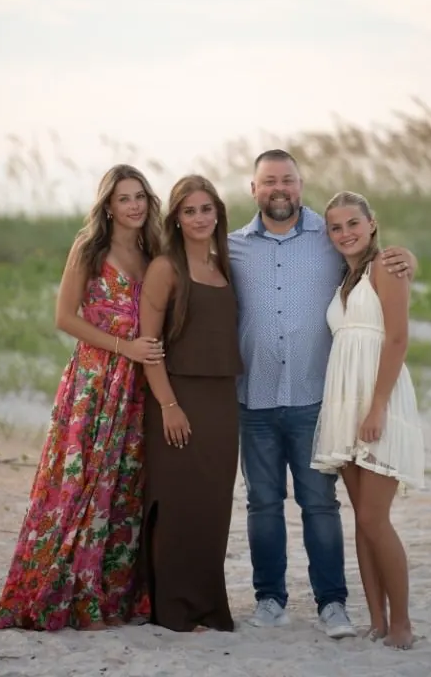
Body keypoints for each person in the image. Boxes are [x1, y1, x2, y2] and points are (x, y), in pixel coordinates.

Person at [228, 149, 416, 638]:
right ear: (254, 189)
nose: (279, 189)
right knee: (263, 505)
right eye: (268, 181)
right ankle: (270, 599)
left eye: (287, 180)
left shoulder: (327, 236)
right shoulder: (231, 248)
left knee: (321, 506)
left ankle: (333, 603)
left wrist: (407, 257)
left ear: (300, 183)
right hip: (256, 399)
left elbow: (377, 264)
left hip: (317, 400)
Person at [0, 164, 164, 631]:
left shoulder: (154, 251)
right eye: (125, 198)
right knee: (83, 486)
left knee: (124, 489)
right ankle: (77, 598)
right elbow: (65, 317)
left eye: (140, 195)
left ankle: (112, 597)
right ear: (108, 205)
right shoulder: (90, 249)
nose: (135, 205)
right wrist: (124, 346)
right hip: (96, 382)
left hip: (137, 387)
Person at [310, 190, 424, 650]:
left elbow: (396, 340)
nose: (345, 234)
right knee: (362, 519)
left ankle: (402, 625)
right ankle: (376, 620)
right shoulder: (346, 277)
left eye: (353, 224)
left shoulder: (386, 267)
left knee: (377, 518)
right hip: (345, 403)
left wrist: (377, 405)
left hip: (380, 399)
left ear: (371, 223)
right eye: (335, 227)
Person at [139, 174, 242, 632]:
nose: (199, 218)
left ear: (217, 213)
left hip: (223, 400)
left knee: (213, 506)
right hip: (177, 397)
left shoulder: (227, 266)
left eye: (206, 209)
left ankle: (207, 606)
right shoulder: (165, 267)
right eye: (189, 211)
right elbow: (149, 344)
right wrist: (167, 404)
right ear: (176, 219)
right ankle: (174, 610)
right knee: (178, 506)